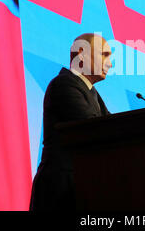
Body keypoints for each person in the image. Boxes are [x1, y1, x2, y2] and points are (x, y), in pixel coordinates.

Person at [29, 33, 113, 211]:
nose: (110, 64)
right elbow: (94, 129)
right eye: (104, 55)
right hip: (60, 193)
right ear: (81, 53)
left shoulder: (93, 94)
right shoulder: (64, 85)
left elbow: (115, 126)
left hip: (80, 189)